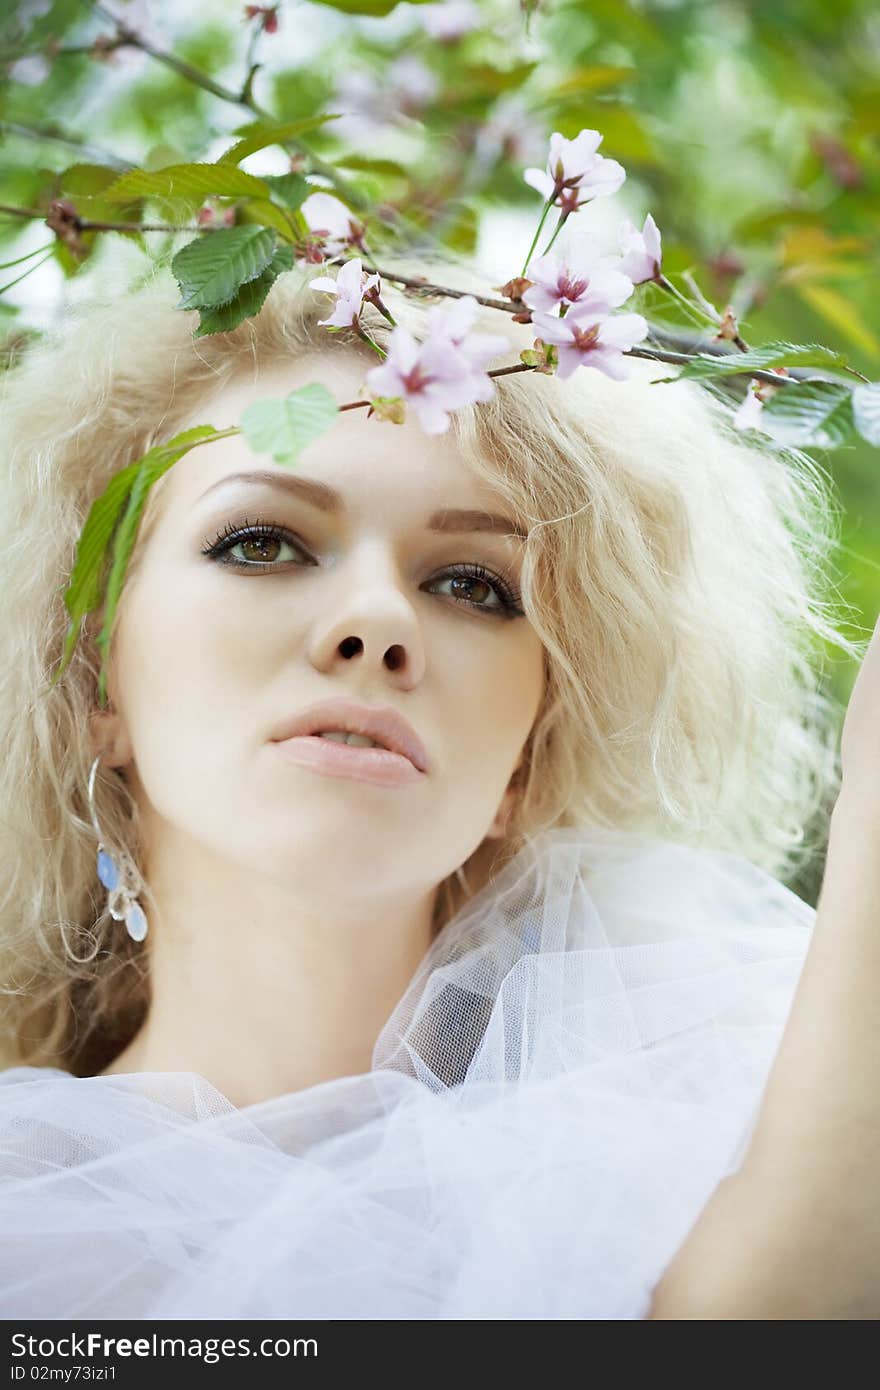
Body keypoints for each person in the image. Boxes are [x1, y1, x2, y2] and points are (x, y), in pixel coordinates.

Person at [0, 255, 875, 1319]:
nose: (377, 622)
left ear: (527, 758)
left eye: (473, 584)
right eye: (262, 542)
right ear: (96, 683)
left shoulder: (689, 1156)